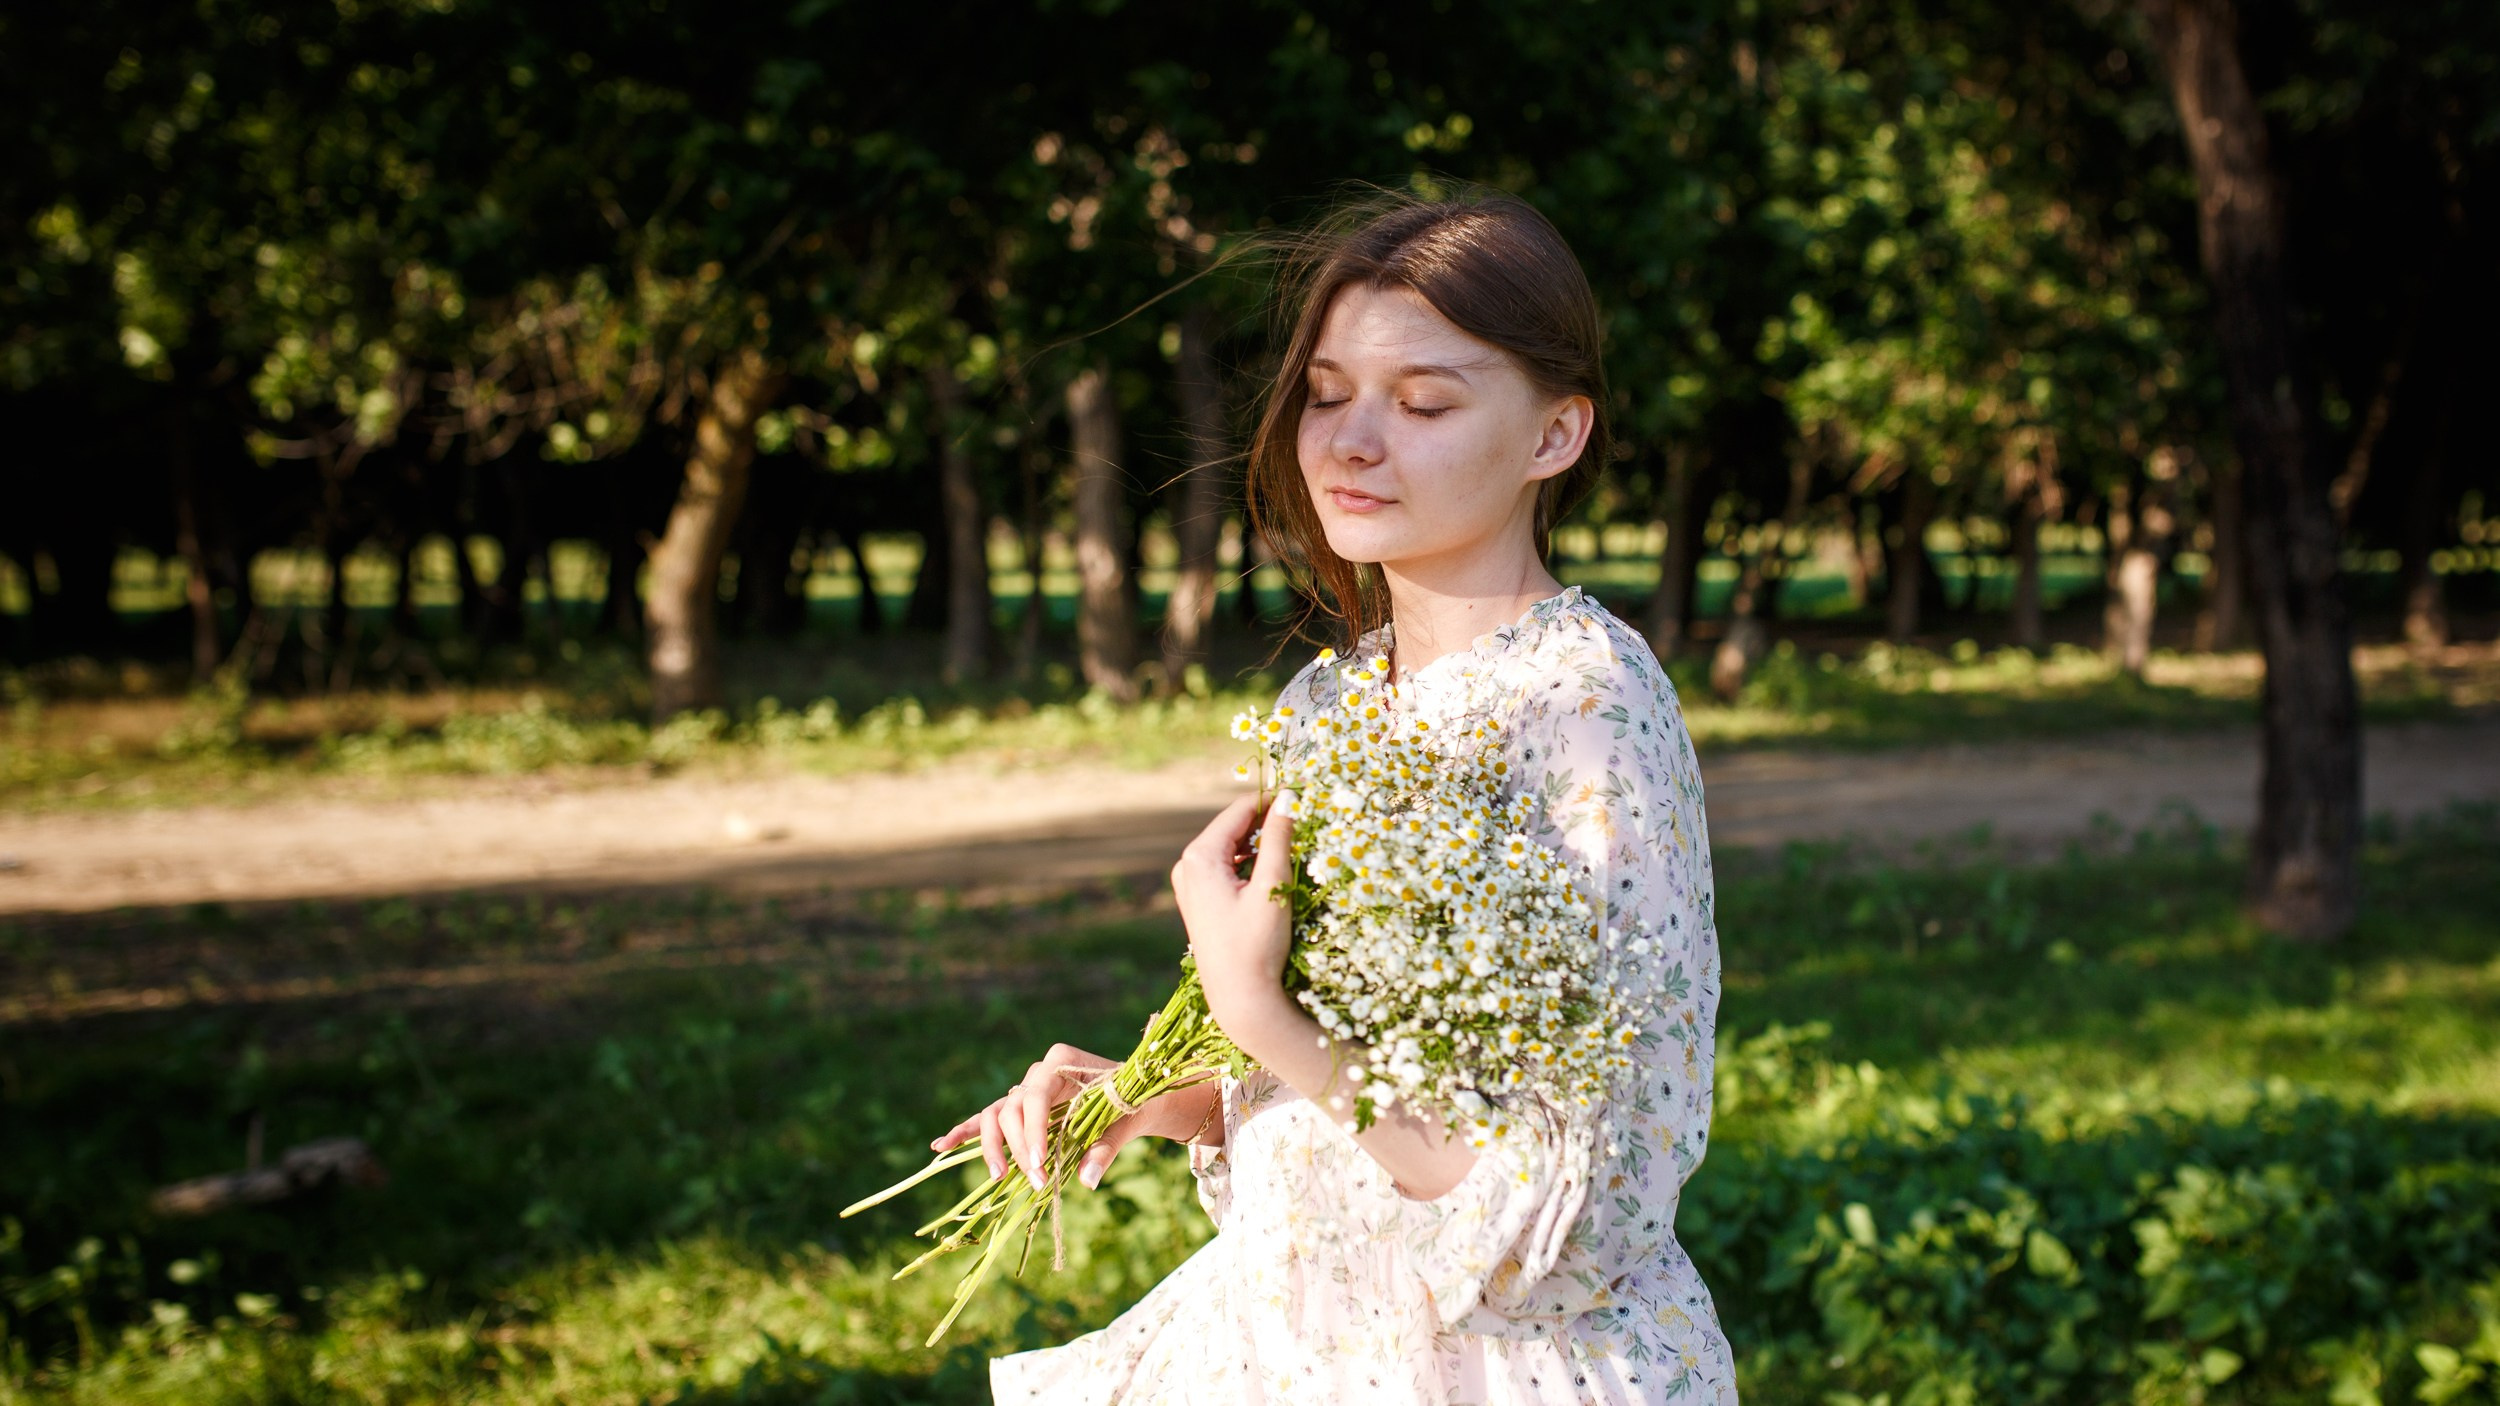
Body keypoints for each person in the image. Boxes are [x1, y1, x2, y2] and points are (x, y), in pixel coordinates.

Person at [932, 190, 1739, 1404]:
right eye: (1324, 393)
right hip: (1301, 1341)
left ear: (1555, 434)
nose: (1349, 442)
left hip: (1493, 1365)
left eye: (1421, 403)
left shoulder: (1584, 707)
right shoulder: (1332, 700)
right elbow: (1353, 1091)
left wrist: (1258, 1008)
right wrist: (1156, 1097)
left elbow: (1582, 1198)